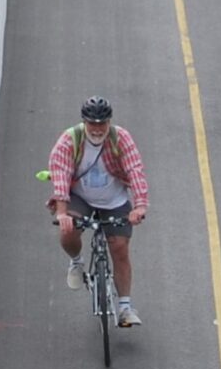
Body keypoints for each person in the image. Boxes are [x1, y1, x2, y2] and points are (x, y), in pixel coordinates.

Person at [46, 96, 148, 327]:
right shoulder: (69, 140)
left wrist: (140, 206)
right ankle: (76, 261)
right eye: (93, 124)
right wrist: (62, 213)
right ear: (84, 122)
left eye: (102, 124)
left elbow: (135, 170)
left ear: (109, 122)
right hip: (80, 197)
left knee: (119, 248)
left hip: (115, 200)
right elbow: (60, 175)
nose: (98, 129)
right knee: (68, 231)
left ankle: (124, 308)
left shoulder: (120, 138)